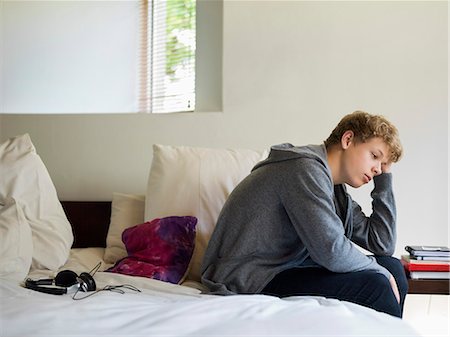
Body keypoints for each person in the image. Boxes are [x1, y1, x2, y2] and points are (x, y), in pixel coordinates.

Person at [201, 110, 408, 318]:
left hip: (285, 269)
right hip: (249, 276)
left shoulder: (335, 191)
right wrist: (379, 271)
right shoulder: (303, 170)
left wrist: (385, 179)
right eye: (374, 156)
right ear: (348, 139)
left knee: (393, 268)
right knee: (377, 284)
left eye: (382, 165)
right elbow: (332, 251)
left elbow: (382, 243)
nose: (377, 169)